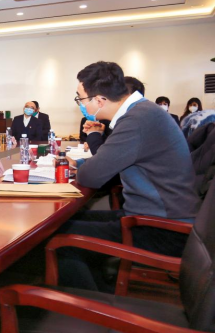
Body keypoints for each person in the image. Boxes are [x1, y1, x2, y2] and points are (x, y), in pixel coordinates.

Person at [57, 61, 200, 293]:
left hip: (163, 228)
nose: (81, 104)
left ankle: (92, 306)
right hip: (154, 216)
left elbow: (91, 176)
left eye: (80, 99)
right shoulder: (144, 112)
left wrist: (84, 166)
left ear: (99, 100)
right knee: (67, 221)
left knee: (60, 236)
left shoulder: (137, 120)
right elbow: (108, 164)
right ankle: (100, 288)